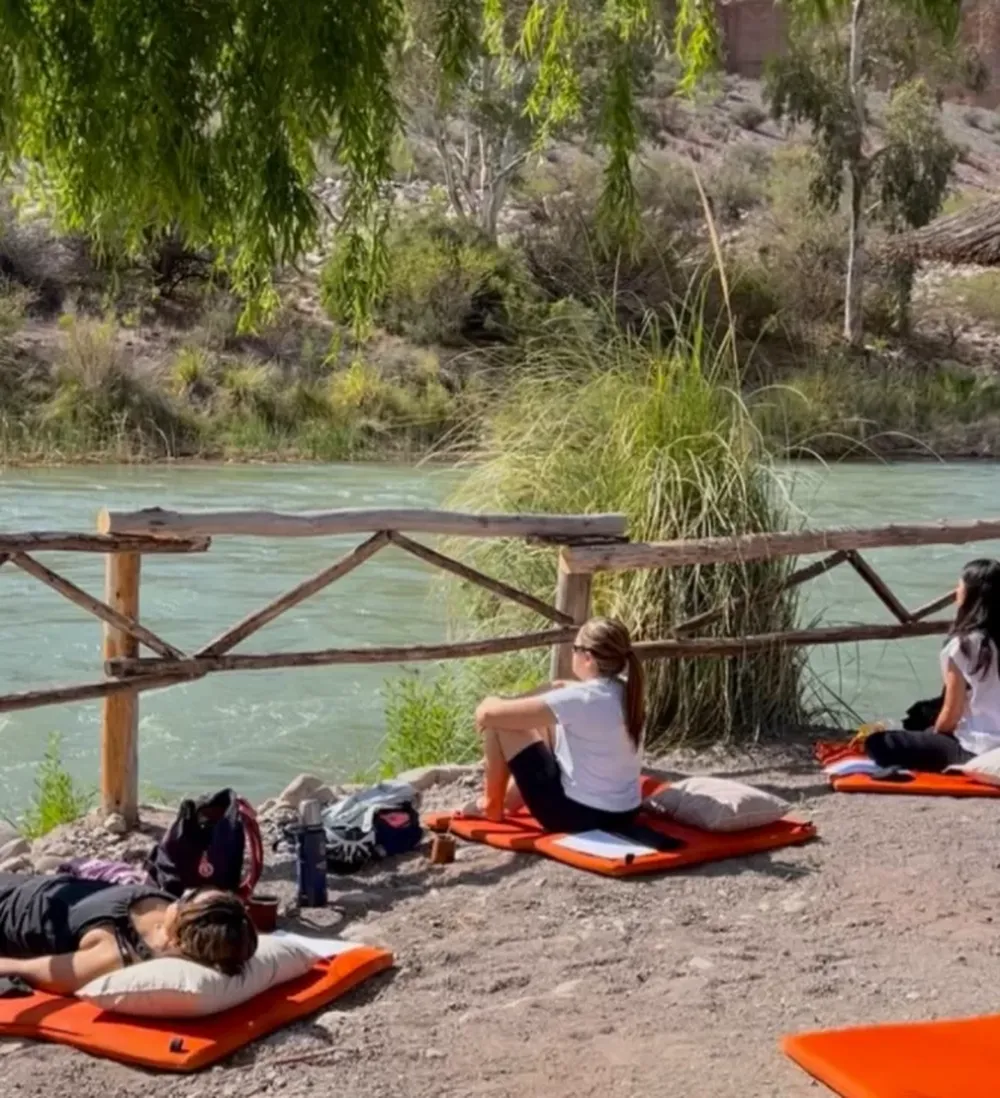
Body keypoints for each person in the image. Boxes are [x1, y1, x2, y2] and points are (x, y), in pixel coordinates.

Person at [467, 616, 645, 833]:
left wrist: (492, 702)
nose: (572, 652)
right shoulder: (626, 690)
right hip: (624, 815)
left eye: (575, 648)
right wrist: (513, 702)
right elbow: (559, 687)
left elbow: (486, 714)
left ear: (588, 658)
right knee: (538, 722)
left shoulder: (582, 698)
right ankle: (508, 801)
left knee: (499, 722)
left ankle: (491, 805)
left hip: (578, 817)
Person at [0, 874, 258, 994]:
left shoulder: (116, 953)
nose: (187, 891)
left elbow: (29, 969)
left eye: (190, 898)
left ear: (181, 934)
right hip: (30, 884)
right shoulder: (168, 913)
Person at [865, 558, 1000, 773]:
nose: (956, 592)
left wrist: (935, 734)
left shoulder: (964, 646)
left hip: (978, 750)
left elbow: (951, 715)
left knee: (879, 742)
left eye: (960, 586)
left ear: (971, 595)